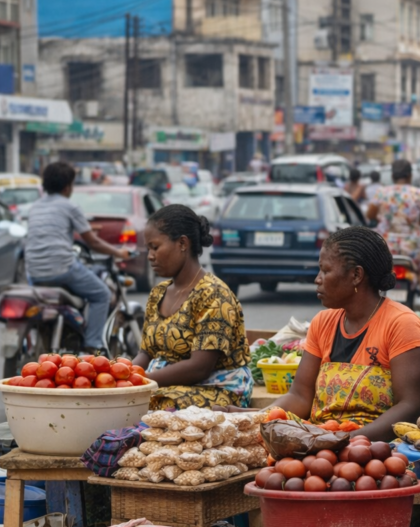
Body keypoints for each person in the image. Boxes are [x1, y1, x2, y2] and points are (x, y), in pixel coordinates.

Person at [263, 227, 420, 441]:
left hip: (381, 449)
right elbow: (299, 396)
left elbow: (410, 406)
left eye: (325, 270)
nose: (317, 279)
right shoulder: (322, 322)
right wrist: (258, 418)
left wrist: (344, 442)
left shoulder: (402, 324)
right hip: (321, 444)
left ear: (356, 275)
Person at [133, 205, 253, 410]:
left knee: (154, 406)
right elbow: (146, 353)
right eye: (148, 249)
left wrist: (141, 382)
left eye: (155, 247)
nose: (150, 256)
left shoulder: (214, 294)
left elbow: (200, 368)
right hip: (167, 386)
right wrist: (122, 375)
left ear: (182, 243)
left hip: (217, 390)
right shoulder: (158, 293)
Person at [25, 161, 131, 352]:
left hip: (34, 273)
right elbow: (94, 243)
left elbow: (50, 232)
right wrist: (118, 252)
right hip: (62, 269)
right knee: (102, 294)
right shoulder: (70, 207)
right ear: (68, 186)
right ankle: (92, 344)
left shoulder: (35, 207)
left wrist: (84, 229)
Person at [366, 159, 420, 323]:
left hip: (385, 249)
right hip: (411, 249)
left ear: (392, 176)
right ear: (410, 175)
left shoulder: (381, 193)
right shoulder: (418, 194)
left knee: (372, 277)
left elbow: (370, 215)